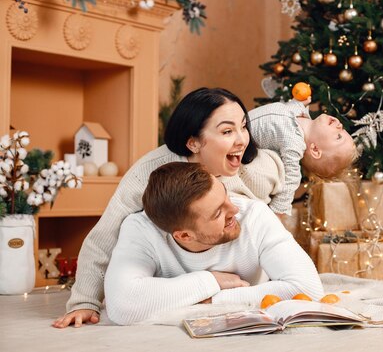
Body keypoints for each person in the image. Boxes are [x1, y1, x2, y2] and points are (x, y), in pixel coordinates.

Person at [53, 87, 260, 328]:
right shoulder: (148, 175)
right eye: (227, 130)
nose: (242, 139)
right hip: (165, 295)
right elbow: (104, 238)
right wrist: (84, 302)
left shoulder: (234, 170)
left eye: (243, 126)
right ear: (193, 143)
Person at [104, 162, 323, 325]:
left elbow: (307, 289)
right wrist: (209, 281)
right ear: (184, 236)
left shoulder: (253, 215)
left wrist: (211, 300)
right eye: (218, 212)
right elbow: (122, 304)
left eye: (225, 195)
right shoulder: (141, 228)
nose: (234, 210)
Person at [248, 99, 357, 215]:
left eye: (339, 137)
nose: (340, 126)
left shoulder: (294, 143)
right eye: (344, 129)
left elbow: (291, 179)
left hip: (236, 142)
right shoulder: (302, 113)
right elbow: (289, 107)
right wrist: (299, 101)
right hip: (237, 121)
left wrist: (278, 212)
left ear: (315, 150)